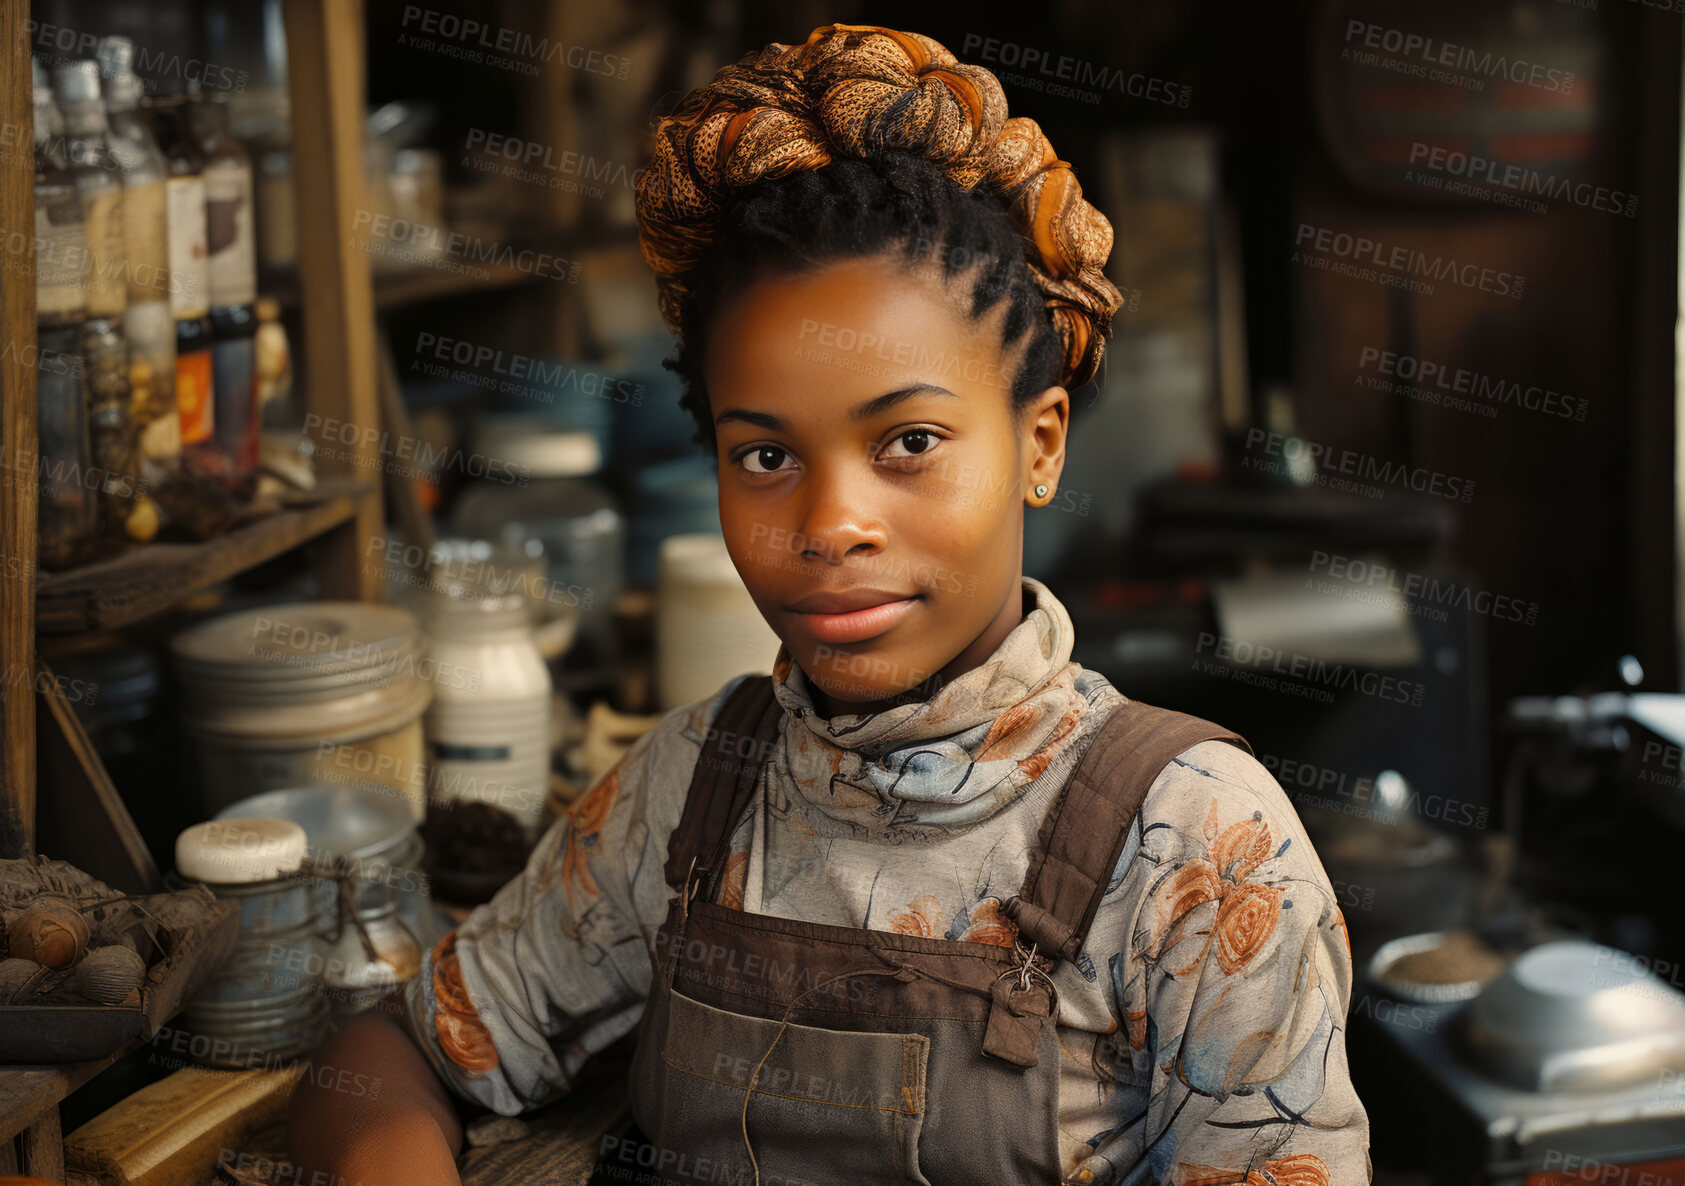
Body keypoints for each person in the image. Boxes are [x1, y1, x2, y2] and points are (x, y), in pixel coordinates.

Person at [289, 23, 1371, 1186]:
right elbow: (392, 1052)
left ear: (1038, 443)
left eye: (907, 440)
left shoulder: (1206, 857)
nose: (827, 523)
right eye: (762, 457)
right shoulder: (690, 788)